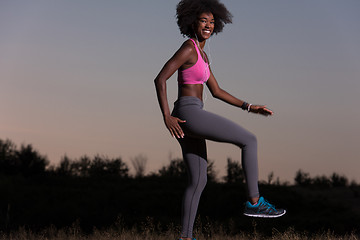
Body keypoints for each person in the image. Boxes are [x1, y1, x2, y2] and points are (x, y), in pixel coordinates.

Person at [154, 0, 286, 239]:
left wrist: (249, 107)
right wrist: (166, 116)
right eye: (203, 20)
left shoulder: (203, 56)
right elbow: (160, 78)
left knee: (198, 180)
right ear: (192, 22)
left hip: (188, 115)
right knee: (249, 140)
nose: (208, 25)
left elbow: (217, 91)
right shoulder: (189, 48)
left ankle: (185, 236)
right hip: (188, 113)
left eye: (212, 22)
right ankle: (255, 203)